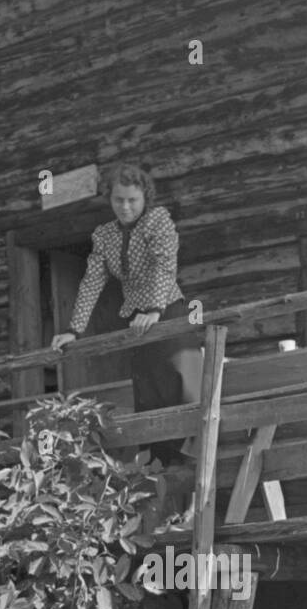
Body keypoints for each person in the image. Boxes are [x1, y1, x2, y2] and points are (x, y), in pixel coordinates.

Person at [49, 161, 202, 510]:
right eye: (119, 200)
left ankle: (195, 506)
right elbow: (92, 281)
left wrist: (155, 309)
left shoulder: (158, 221)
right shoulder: (105, 235)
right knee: (150, 400)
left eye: (132, 200)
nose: (126, 207)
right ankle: (161, 508)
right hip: (138, 327)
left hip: (171, 318)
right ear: (110, 200)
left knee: (183, 395)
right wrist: (73, 329)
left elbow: (165, 265)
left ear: (144, 198)